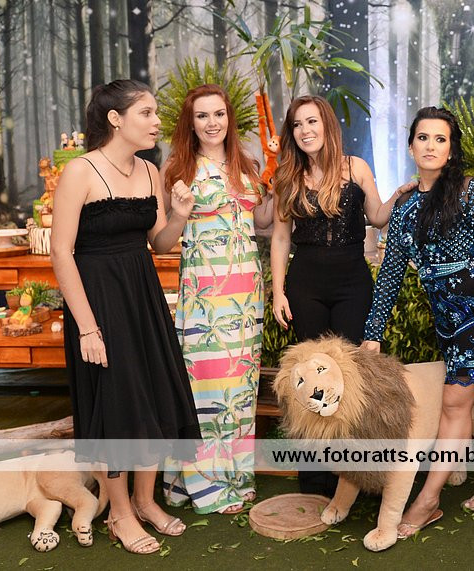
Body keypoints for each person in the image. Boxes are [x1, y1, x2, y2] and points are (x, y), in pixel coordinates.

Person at [51, 79, 201, 555]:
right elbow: (61, 252)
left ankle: (144, 500)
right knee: (115, 403)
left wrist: (179, 214)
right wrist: (87, 327)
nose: (157, 122)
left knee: (150, 393)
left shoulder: (150, 171)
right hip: (98, 300)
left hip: (142, 295)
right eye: (147, 112)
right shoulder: (80, 171)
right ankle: (118, 514)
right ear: (115, 119)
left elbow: (160, 244)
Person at [362, 106, 474, 537]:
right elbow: (390, 275)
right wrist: (373, 334)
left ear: (451, 149)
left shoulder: (473, 193)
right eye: (423, 138)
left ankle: (428, 500)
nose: (430, 146)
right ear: (411, 146)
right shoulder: (404, 209)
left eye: (440, 139)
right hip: (449, 323)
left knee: (455, 405)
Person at [271, 94, 408, 496]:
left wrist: (400, 194)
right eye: (297, 124)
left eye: (311, 121)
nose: (305, 130)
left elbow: (377, 217)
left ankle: (351, 480)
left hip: (352, 283)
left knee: (350, 377)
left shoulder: (356, 167)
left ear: (327, 125)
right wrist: (278, 293)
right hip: (305, 285)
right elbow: (280, 238)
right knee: (308, 377)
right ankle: (315, 479)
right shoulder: (287, 176)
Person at [160, 84, 272, 515]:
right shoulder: (177, 168)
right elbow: (162, 242)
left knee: (240, 389)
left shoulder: (247, 163)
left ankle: (237, 477)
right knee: (206, 387)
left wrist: (275, 186)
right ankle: (205, 485)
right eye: (202, 116)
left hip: (246, 289)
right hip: (205, 294)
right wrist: (179, 213)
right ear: (190, 123)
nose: (212, 123)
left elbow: (261, 222)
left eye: (219, 114)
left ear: (229, 118)